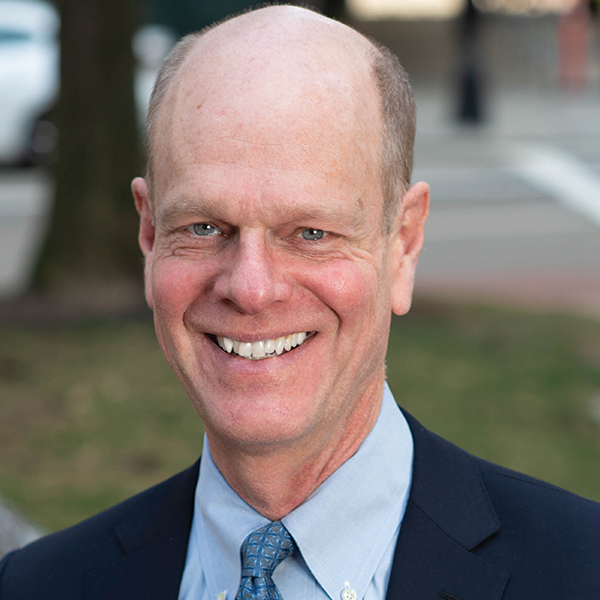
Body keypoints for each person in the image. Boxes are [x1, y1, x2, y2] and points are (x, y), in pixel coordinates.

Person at [1, 5, 599, 599]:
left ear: (405, 245)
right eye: (205, 227)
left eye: (312, 233)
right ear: (150, 235)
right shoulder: (38, 585)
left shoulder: (580, 573)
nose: (252, 288)